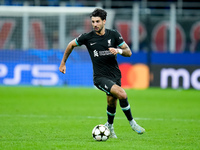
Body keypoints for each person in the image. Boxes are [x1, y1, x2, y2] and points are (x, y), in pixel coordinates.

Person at [59, 8, 145, 138]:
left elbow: (128, 52)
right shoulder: (87, 37)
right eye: (93, 21)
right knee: (122, 94)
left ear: (104, 21)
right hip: (100, 77)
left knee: (111, 102)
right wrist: (63, 63)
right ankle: (132, 123)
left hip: (115, 75)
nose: (95, 24)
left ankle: (109, 126)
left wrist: (118, 51)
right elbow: (71, 44)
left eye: (97, 21)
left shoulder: (114, 35)